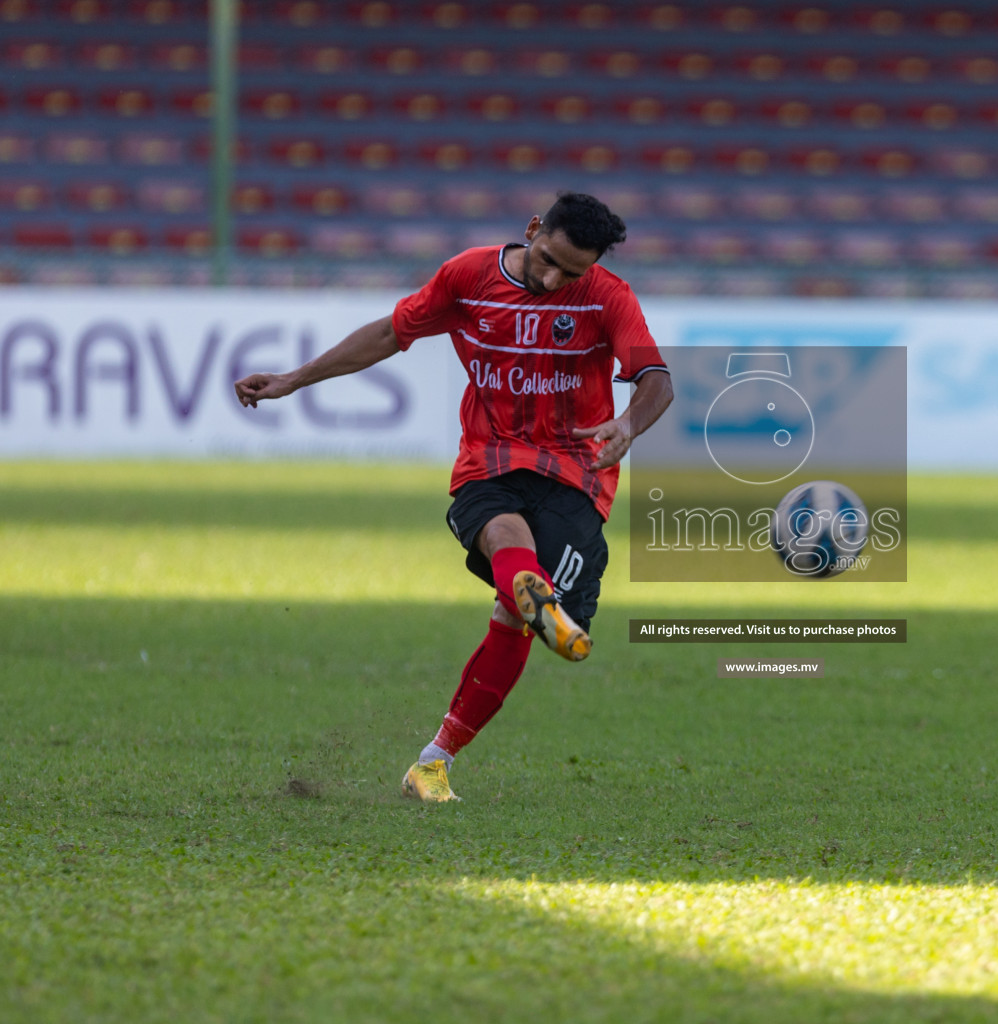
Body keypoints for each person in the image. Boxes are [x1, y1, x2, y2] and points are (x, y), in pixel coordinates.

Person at [233, 192, 673, 802]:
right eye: (547, 259)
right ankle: (449, 735)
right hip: (488, 458)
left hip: (576, 471)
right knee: (507, 548)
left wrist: (627, 425)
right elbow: (391, 332)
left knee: (515, 616)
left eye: (570, 272)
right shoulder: (468, 277)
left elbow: (657, 381)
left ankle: (435, 757)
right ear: (533, 228)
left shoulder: (607, 296)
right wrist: (293, 379)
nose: (553, 279)